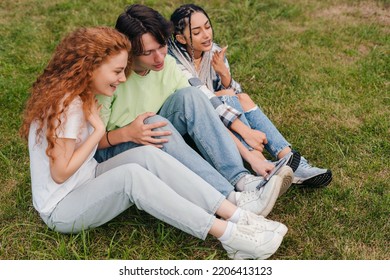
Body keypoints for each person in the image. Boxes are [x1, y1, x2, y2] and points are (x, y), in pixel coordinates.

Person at [20, 26, 290, 260]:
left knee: (149, 156)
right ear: (90, 67)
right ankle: (231, 236)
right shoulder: (68, 106)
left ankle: (237, 213)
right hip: (62, 206)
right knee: (131, 178)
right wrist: (98, 130)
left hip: (88, 177)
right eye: (116, 71)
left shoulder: (83, 93)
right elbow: (60, 173)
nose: (123, 78)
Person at [95, 5, 295, 217]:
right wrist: (127, 133)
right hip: (113, 146)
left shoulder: (167, 66)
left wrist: (250, 156)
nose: (159, 58)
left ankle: (241, 179)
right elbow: (92, 145)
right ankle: (230, 198)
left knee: (192, 96)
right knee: (153, 124)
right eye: (147, 53)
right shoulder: (111, 77)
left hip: (156, 129)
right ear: (129, 51)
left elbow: (205, 113)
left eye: (161, 46)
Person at [168, 4, 332, 187]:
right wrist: (247, 132)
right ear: (181, 38)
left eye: (208, 26)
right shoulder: (173, 61)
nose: (207, 35)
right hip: (191, 126)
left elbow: (233, 93)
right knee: (228, 96)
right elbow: (204, 97)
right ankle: (261, 163)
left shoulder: (212, 51)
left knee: (242, 98)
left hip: (216, 112)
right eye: (197, 32)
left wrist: (224, 75)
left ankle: (291, 159)